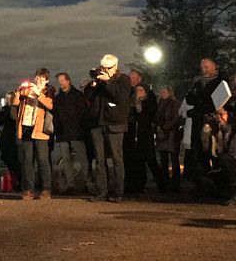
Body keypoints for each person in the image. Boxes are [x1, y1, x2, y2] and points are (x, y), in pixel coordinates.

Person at [85, 54, 132, 203]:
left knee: (117, 158)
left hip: (115, 123)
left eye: (108, 68)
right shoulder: (99, 80)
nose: (105, 70)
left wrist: (108, 82)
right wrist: (93, 84)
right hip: (98, 123)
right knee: (99, 159)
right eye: (103, 68)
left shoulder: (124, 79)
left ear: (115, 67)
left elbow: (120, 97)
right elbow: (89, 97)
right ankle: (101, 191)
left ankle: (118, 192)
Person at [13, 69, 55, 200]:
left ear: (46, 80)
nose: (38, 80)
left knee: (42, 160)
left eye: (42, 78)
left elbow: (50, 105)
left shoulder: (49, 91)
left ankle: (46, 189)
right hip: (26, 127)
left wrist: (38, 93)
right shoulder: (27, 90)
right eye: (37, 77)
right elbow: (14, 104)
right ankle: (28, 189)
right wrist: (18, 92)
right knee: (27, 160)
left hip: (40, 130)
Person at [184, 57, 224, 194]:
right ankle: (201, 185)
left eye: (206, 67)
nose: (204, 70)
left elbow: (214, 103)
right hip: (198, 122)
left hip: (211, 123)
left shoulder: (220, 82)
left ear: (214, 67)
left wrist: (198, 104)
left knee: (213, 153)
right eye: (202, 67)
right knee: (198, 154)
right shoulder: (198, 83)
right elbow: (190, 99)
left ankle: (217, 185)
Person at [52, 72, 91, 194]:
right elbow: (55, 115)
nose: (60, 83)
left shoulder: (78, 95)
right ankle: (71, 185)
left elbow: (82, 113)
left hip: (75, 132)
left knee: (82, 159)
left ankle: (88, 183)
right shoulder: (58, 98)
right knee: (66, 160)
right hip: (63, 132)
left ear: (68, 81)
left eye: (62, 80)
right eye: (59, 80)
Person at [124, 84, 167, 196]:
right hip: (133, 137)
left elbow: (146, 117)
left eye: (141, 90)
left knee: (151, 161)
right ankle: (138, 187)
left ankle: (163, 186)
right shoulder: (130, 104)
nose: (139, 92)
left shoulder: (149, 103)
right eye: (137, 90)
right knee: (137, 163)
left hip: (145, 137)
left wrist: (139, 106)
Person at [155, 85, 182, 192]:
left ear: (170, 93)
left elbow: (176, 118)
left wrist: (166, 127)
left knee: (174, 159)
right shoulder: (159, 104)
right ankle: (165, 183)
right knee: (163, 160)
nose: (162, 94)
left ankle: (175, 184)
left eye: (164, 92)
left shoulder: (175, 104)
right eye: (161, 92)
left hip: (171, 135)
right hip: (162, 135)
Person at [0, 92, 20, 185]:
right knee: (8, 159)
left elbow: (14, 118)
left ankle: (17, 180)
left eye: (10, 98)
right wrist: (2, 110)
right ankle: (13, 181)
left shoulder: (16, 108)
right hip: (6, 137)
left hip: (14, 136)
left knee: (16, 160)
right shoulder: (4, 109)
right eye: (7, 98)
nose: (9, 100)